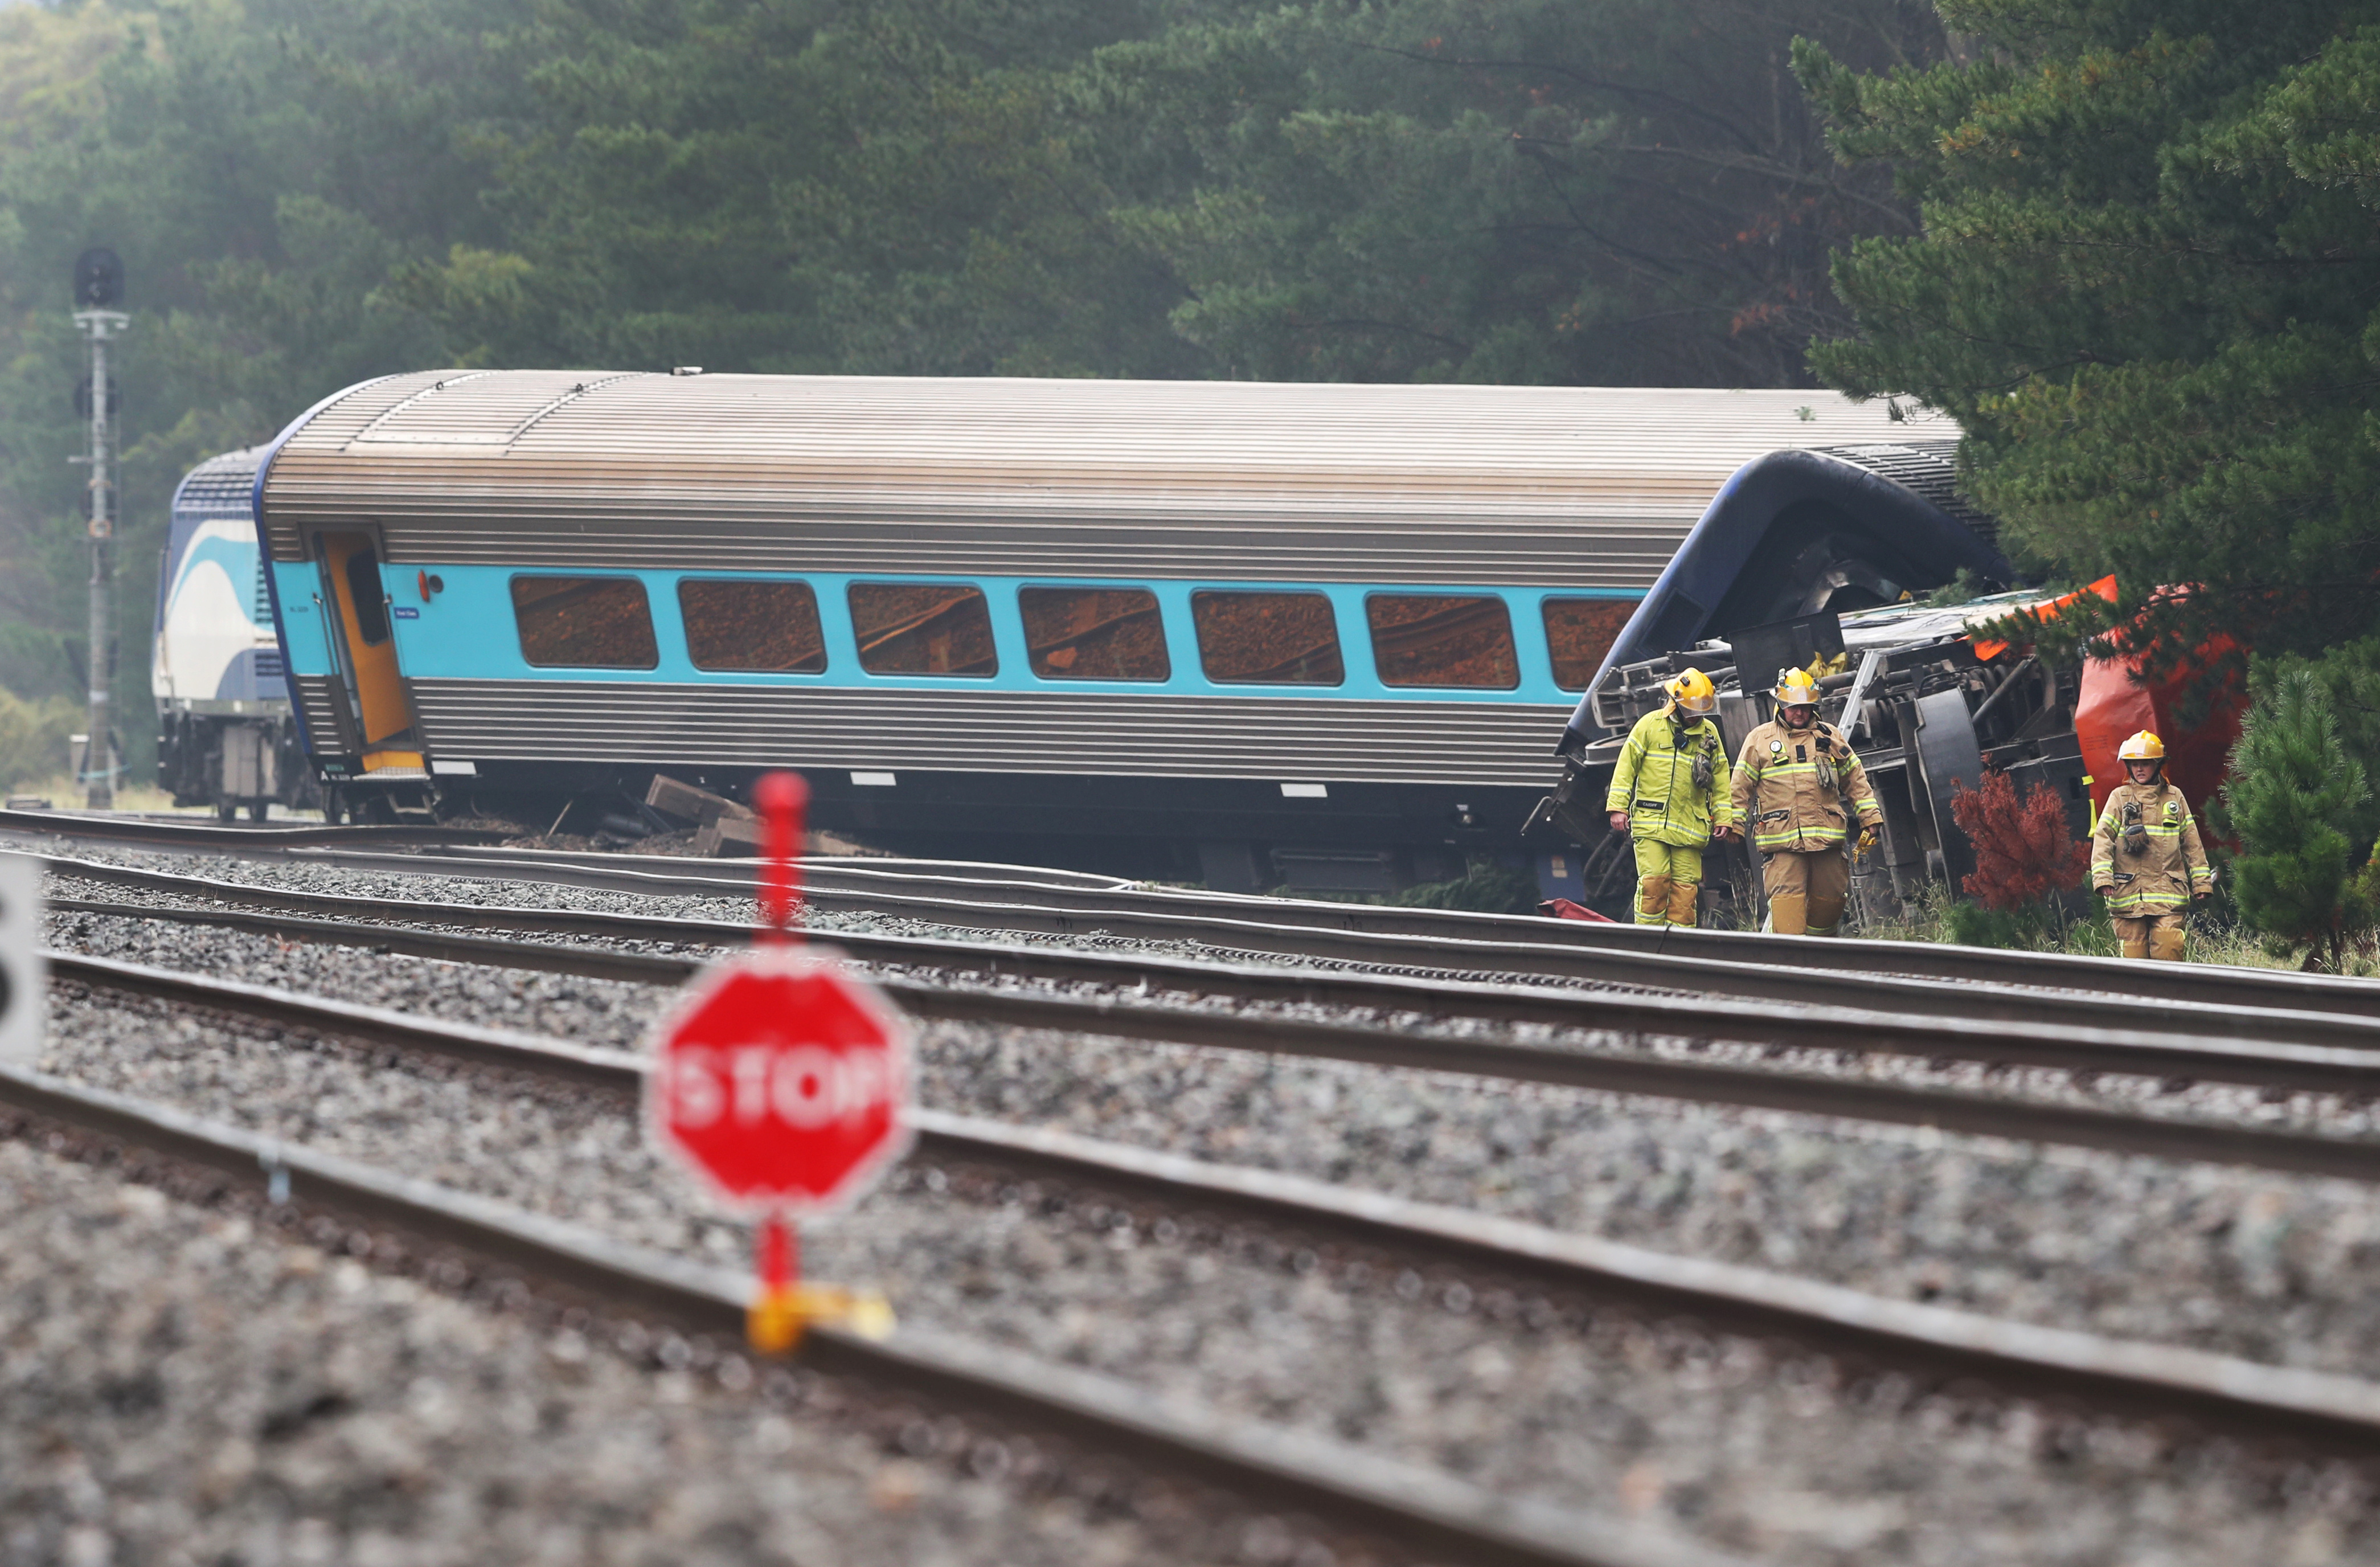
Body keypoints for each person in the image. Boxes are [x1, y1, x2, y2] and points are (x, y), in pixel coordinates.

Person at [1730, 666, 1882, 936]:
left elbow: (1855, 779)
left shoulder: (1830, 737)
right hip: (1783, 844)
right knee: (1788, 917)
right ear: (1780, 704)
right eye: (1792, 707)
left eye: (1805, 707)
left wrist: (1870, 817)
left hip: (1827, 844)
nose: (1798, 713)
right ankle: (1792, 968)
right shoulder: (1760, 740)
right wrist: (1734, 824)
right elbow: (1740, 786)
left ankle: (1819, 961)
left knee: (1832, 903)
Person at [1605, 667, 1736, 927]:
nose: (1696, 716)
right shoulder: (1650, 726)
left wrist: (1724, 817)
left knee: (1685, 896)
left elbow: (1721, 779)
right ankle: (1648, 944)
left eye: (1701, 710)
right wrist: (1617, 807)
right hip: (1651, 824)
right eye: (1692, 710)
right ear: (1675, 702)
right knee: (1654, 884)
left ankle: (1678, 953)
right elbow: (1626, 766)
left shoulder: (1709, 735)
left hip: (1689, 828)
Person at [2090, 730, 2213, 960]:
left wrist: (2202, 884)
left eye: (2145, 763)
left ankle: (2169, 996)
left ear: (2158, 765)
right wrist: (2103, 879)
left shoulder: (2174, 797)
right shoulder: (2120, 798)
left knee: (2169, 952)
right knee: (2136, 966)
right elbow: (2103, 838)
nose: (2139, 769)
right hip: (2129, 897)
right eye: (2134, 763)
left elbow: (2192, 843)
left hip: (2168, 895)